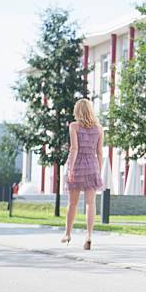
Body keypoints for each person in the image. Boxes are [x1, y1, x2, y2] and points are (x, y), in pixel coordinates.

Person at [60, 98, 104, 250]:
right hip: (92, 165)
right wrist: (98, 170)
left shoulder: (74, 126)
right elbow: (100, 152)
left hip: (78, 165)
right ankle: (89, 236)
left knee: (72, 203)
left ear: (77, 111)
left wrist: (71, 169)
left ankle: (67, 233)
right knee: (90, 203)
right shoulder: (99, 128)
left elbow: (74, 149)